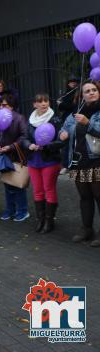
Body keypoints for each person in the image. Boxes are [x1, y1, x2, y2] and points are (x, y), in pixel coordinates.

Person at [59, 81, 100, 247]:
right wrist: (62, 132)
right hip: (78, 160)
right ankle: (86, 229)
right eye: (87, 91)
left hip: (97, 160)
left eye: (94, 90)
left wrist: (87, 123)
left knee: (99, 196)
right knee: (85, 197)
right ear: (82, 95)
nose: (91, 93)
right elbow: (65, 127)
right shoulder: (76, 112)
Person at [23, 93, 63, 233]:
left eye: (46, 101)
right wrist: (29, 145)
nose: (44, 103)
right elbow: (25, 138)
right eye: (40, 101)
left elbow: (61, 141)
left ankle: (49, 220)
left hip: (49, 160)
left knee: (49, 189)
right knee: (37, 190)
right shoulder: (31, 120)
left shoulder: (55, 119)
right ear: (35, 104)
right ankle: (40, 219)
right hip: (34, 160)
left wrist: (46, 146)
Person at [0, 94, 29, 222]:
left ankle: (22, 210)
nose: (1, 107)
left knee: (18, 184)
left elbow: (24, 136)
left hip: (15, 155)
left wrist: (11, 147)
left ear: (12, 106)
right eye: (0, 104)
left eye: (4, 104)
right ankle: (10, 209)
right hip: (3, 156)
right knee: (7, 183)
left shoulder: (19, 118)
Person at [57, 76, 80, 174]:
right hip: (68, 119)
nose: (73, 84)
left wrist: (61, 104)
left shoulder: (77, 93)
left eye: (75, 82)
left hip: (76, 120)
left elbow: (72, 106)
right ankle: (66, 165)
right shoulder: (66, 93)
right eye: (71, 82)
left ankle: (73, 165)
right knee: (66, 142)